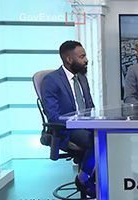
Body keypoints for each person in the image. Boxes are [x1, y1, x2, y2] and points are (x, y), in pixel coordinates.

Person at [41, 40, 96, 197]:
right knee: (97, 140)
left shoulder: (82, 78)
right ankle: (84, 178)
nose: (86, 60)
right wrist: (77, 122)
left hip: (85, 124)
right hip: (66, 129)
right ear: (69, 59)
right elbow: (53, 116)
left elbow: (89, 106)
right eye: (82, 56)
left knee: (109, 135)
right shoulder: (51, 80)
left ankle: (97, 177)